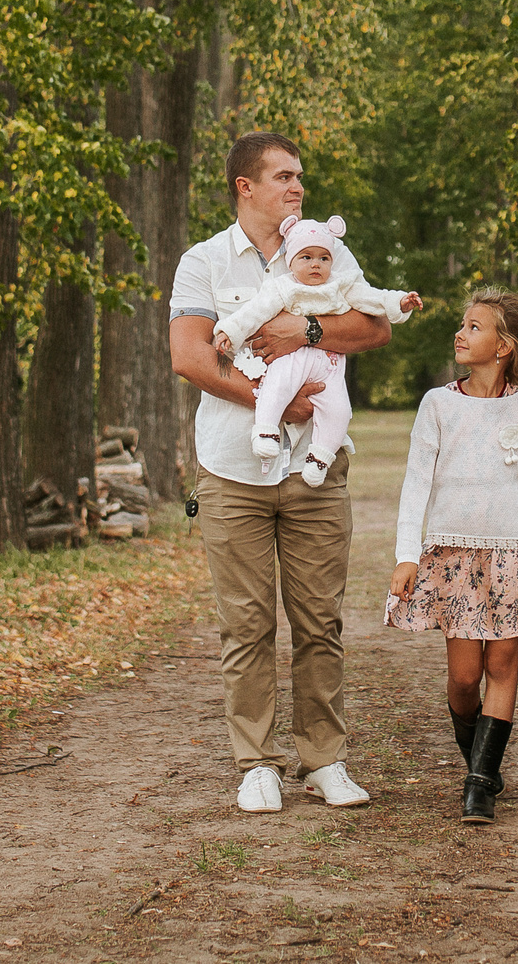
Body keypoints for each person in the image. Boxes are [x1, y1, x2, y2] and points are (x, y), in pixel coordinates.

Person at [169, 131, 396, 814]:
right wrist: (275, 401)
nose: (298, 186)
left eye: (300, 176)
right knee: (246, 623)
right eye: (285, 176)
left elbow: (377, 327)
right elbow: (189, 356)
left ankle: (324, 758)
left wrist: (312, 333)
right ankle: (256, 762)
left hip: (317, 470)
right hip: (233, 468)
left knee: (320, 618)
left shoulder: (327, 251)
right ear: (247, 185)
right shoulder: (203, 261)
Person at [386, 290, 518, 824]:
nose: (460, 334)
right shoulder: (438, 404)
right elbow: (416, 483)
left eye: (474, 327)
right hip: (452, 555)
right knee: (466, 676)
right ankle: (480, 763)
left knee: (503, 663)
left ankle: (479, 784)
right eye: (462, 325)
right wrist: (406, 556)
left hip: (509, 552)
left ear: (504, 347)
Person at [213, 213, 421, 486]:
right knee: (277, 386)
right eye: (306, 257)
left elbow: (373, 299)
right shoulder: (282, 287)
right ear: (291, 261)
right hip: (291, 358)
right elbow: (253, 312)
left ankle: (320, 457)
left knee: (339, 411)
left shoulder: (341, 286)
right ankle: (264, 431)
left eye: (324, 258)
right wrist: (229, 331)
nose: (316, 264)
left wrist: (399, 303)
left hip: (329, 363)